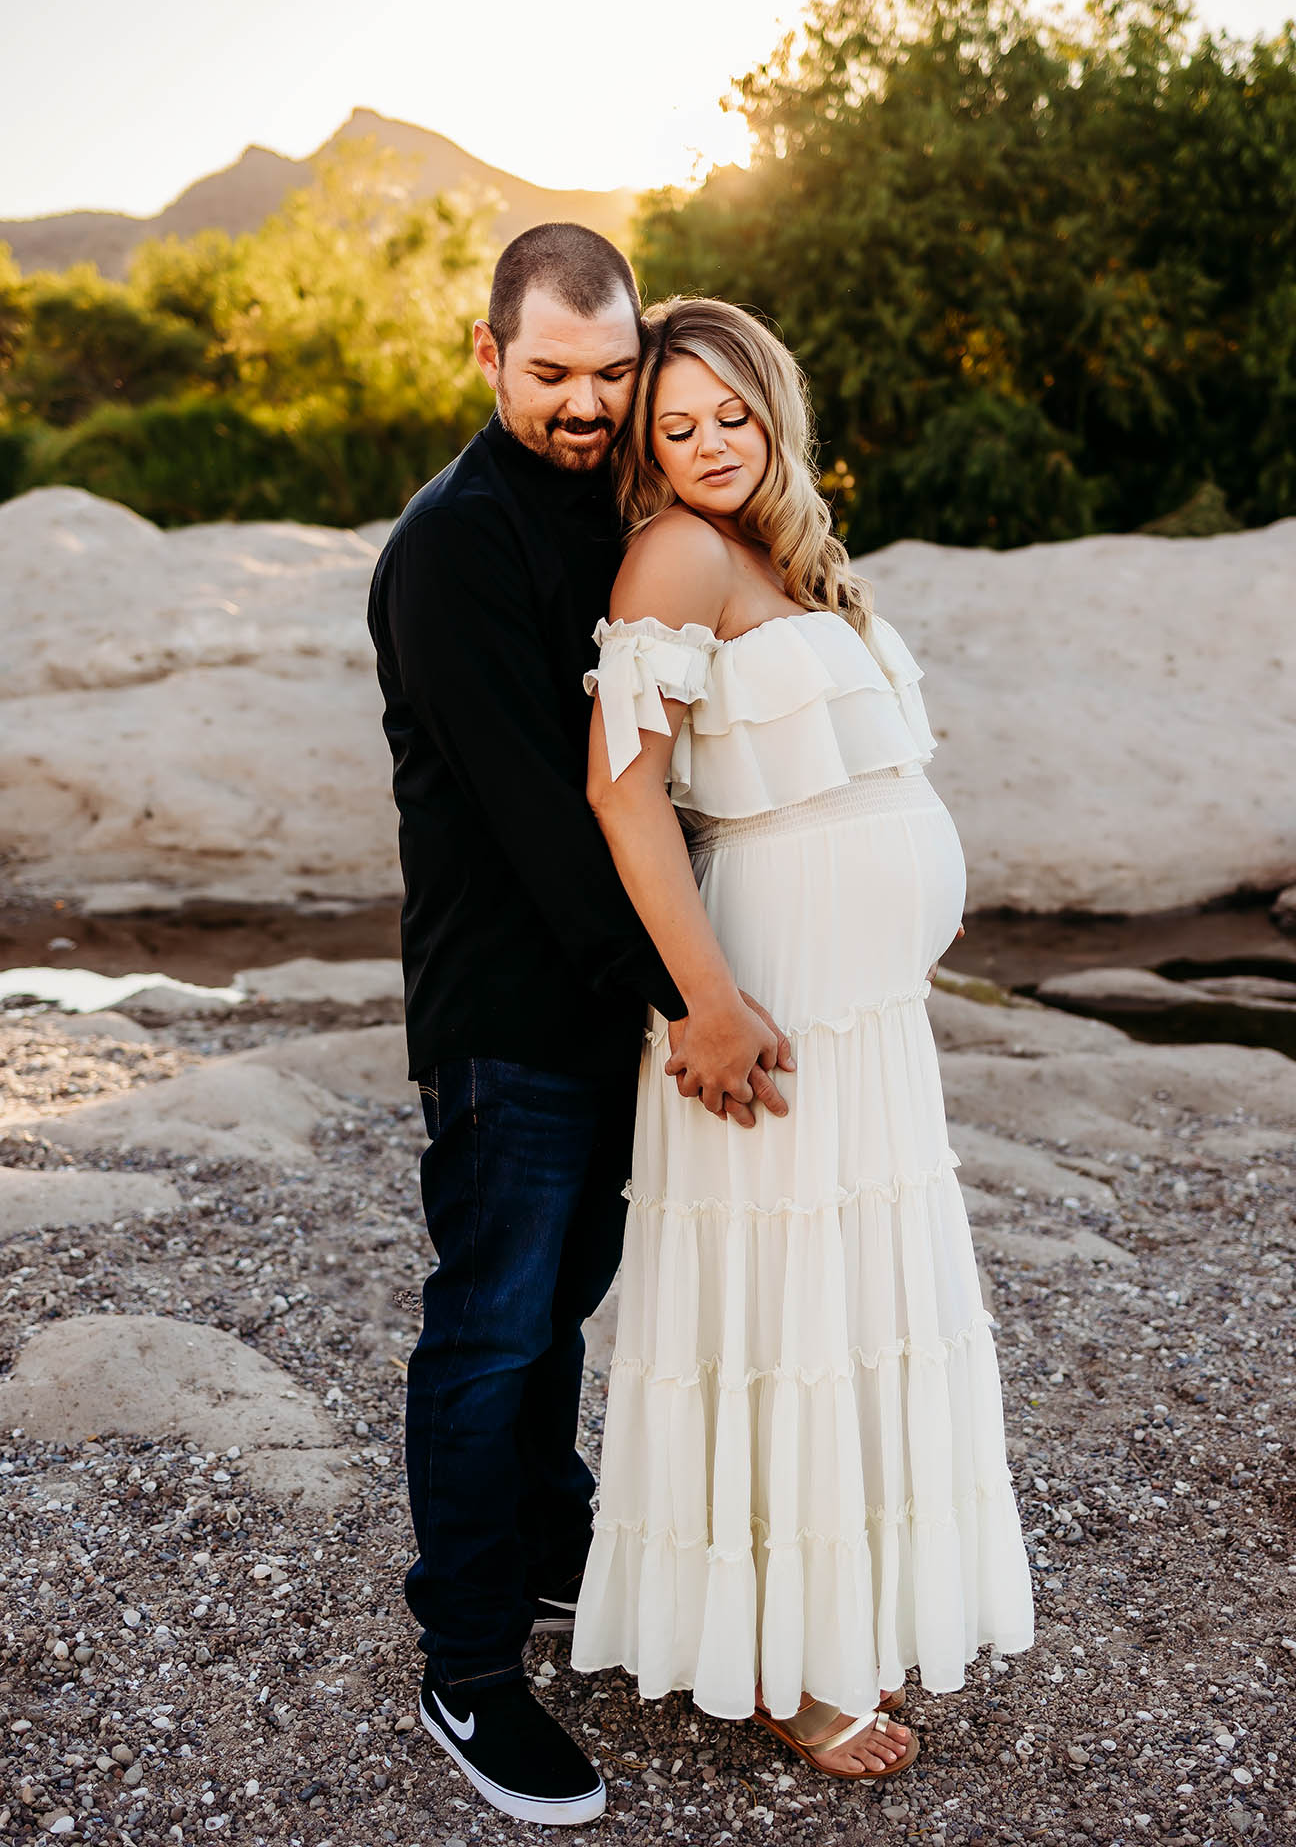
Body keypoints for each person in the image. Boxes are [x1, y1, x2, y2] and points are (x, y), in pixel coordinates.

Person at [572, 298, 1035, 1779]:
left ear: (775, 413)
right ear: (647, 448)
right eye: (675, 424)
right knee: (787, 1302)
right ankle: (780, 1661)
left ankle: (836, 1615)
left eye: (732, 415)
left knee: (853, 1300)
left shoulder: (793, 557)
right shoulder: (678, 555)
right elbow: (624, 794)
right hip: (769, 975)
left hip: (867, 999)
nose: (708, 445)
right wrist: (707, 1000)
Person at [366, 232, 794, 1828]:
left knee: (565, 1304)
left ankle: (549, 1548)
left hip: (609, 996)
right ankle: (465, 1663)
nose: (587, 403)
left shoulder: (620, 504)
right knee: (489, 1326)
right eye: (552, 375)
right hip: (506, 1006)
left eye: (613, 375)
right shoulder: (451, 548)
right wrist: (696, 998)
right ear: (488, 359)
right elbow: (554, 822)